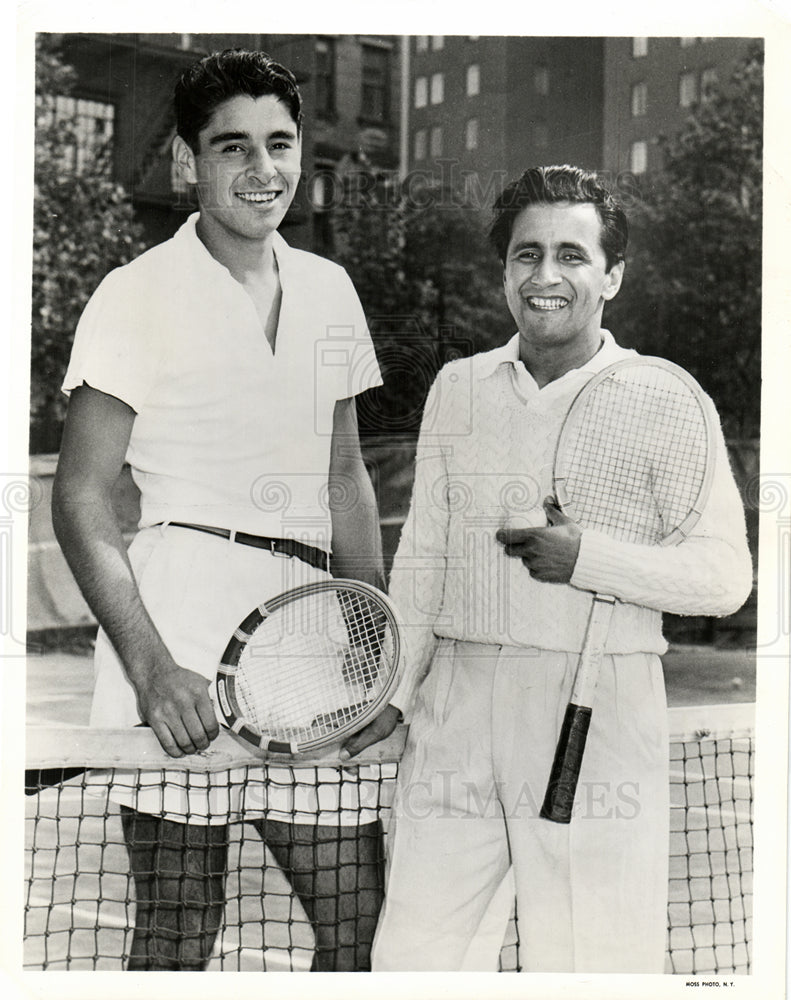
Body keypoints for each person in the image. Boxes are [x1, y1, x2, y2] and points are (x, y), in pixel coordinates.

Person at [52, 49, 388, 972]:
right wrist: (153, 667)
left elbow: (344, 479)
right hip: (180, 623)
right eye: (232, 146)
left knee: (360, 933)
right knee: (176, 936)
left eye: (279, 143)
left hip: (313, 638)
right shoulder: (134, 294)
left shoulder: (329, 291)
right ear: (185, 164)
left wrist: (371, 642)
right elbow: (79, 494)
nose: (262, 168)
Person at [368, 165, 753, 972]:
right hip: (456, 711)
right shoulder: (457, 386)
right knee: (411, 964)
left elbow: (724, 577)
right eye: (525, 254)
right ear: (504, 270)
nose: (545, 277)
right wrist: (395, 693)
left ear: (612, 274)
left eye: (572, 256)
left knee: (590, 970)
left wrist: (589, 560)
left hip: (599, 707)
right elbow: (423, 561)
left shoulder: (663, 397)